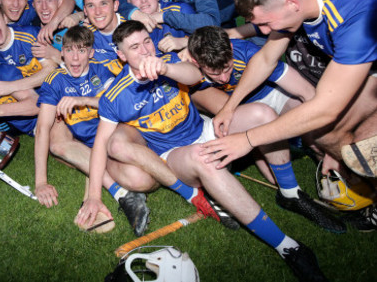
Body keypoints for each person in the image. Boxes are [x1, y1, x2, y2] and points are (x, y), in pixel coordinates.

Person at [75, 20, 327, 282]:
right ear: (121, 55)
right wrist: (94, 195)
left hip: (205, 132)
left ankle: (290, 193)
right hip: (177, 156)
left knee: (263, 113)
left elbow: (194, 76)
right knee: (201, 157)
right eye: (134, 47)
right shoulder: (114, 96)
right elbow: (101, 147)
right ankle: (289, 247)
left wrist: (165, 67)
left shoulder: (168, 62)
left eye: (147, 41)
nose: (145, 50)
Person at [200, 0, 377, 230]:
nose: (263, 31)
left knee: (364, 140)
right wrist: (229, 107)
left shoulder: (354, 14)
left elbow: (325, 109)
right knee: (325, 134)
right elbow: (266, 58)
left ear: (292, 4)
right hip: (369, 58)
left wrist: (248, 139)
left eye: (266, 23)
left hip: (367, 48)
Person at [187, 26, 345, 233]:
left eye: (227, 68)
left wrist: (328, 141)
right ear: (196, 64)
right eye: (214, 73)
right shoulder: (192, 78)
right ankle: (291, 192)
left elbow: (308, 93)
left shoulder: (247, 52)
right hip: (241, 115)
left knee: (307, 116)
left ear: (231, 51)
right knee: (261, 123)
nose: (224, 78)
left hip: (267, 94)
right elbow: (238, 120)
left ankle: (338, 177)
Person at [35, 26, 151, 233]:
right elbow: (43, 128)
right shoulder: (55, 80)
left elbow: (114, 104)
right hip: (88, 143)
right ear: (61, 52)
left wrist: (81, 100)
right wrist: (41, 182)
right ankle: (120, 193)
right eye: (69, 50)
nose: (75, 57)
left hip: (115, 136)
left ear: (91, 53)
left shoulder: (100, 70)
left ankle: (109, 191)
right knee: (58, 147)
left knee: (138, 179)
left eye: (81, 50)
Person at [0, 0, 58, 96]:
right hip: (35, 100)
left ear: (5, 18)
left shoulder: (30, 35)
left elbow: (51, 69)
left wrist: (13, 86)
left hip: (58, 91)